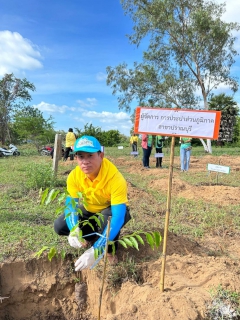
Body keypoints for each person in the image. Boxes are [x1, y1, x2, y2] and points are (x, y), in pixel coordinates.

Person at [54, 135, 131, 271]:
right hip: (90, 209)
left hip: (110, 210)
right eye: (81, 156)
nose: (85, 161)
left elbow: (118, 217)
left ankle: (108, 250)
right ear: (76, 158)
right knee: (60, 226)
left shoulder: (115, 178)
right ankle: (90, 238)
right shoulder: (74, 176)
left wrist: (96, 250)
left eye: (90, 156)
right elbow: (71, 205)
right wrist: (73, 229)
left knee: (108, 219)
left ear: (101, 155)